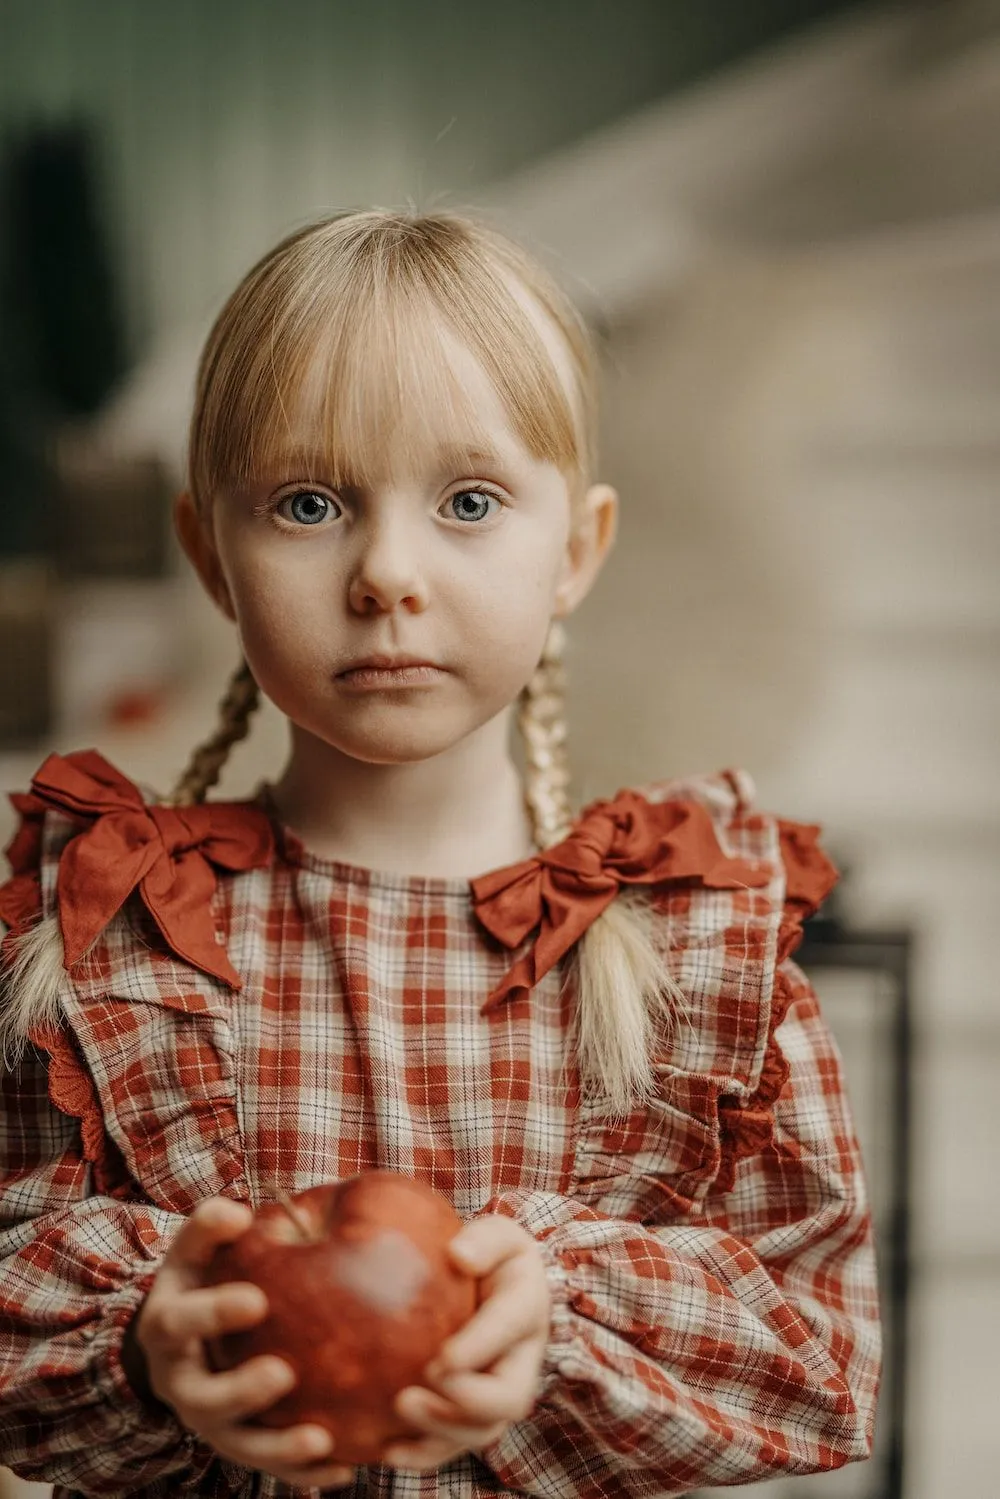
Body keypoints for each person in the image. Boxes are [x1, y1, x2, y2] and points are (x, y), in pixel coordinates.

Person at [0, 210, 881, 1499]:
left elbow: (818, 1363)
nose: (387, 573)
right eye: (308, 504)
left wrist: (560, 1328)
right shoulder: (109, 938)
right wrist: (143, 1346)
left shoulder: (692, 951)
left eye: (469, 501)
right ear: (211, 560)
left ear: (576, 551)